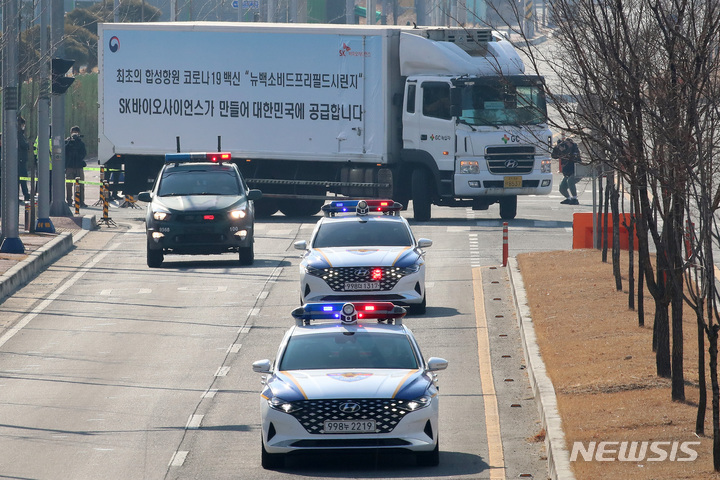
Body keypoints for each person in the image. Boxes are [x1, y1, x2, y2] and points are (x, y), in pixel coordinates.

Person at [552, 136, 581, 205]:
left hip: (576, 172)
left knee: (570, 181)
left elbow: (574, 158)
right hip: (567, 172)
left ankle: (575, 198)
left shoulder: (574, 150)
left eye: (567, 143)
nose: (566, 145)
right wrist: (557, 148)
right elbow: (554, 156)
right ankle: (568, 198)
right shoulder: (563, 151)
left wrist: (565, 152)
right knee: (562, 188)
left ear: (571, 144)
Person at [65, 125, 87, 207]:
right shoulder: (67, 142)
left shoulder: (81, 143)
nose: (75, 134)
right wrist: (69, 142)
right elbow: (64, 151)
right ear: (70, 133)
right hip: (69, 166)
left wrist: (77, 141)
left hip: (79, 166)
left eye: (76, 133)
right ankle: (69, 201)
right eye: (73, 132)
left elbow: (84, 153)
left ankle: (81, 201)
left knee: (81, 184)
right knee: (69, 185)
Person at [17, 117, 30, 201]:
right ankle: (25, 194)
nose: (24, 126)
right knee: (22, 177)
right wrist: (29, 144)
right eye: (23, 124)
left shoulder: (20, 134)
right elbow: (23, 145)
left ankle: (25, 194)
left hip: (21, 159)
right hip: (20, 160)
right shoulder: (19, 134)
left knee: (21, 178)